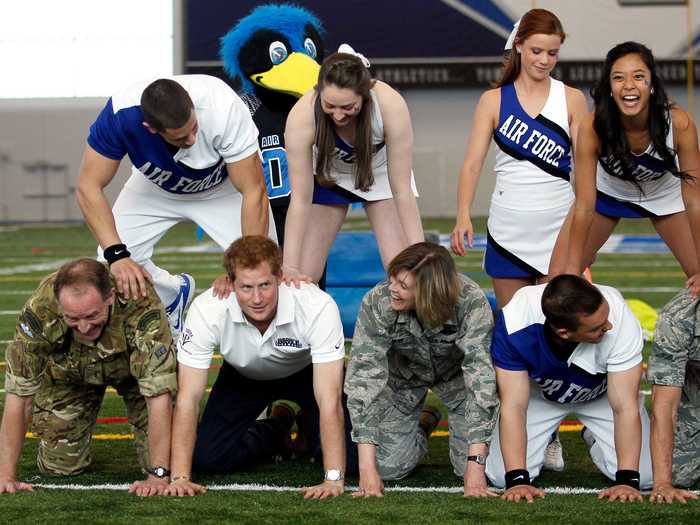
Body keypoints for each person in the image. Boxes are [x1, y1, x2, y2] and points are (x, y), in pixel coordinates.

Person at [76, 75, 274, 336]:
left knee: (263, 270)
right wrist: (117, 255)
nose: (192, 139)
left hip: (221, 189)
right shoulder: (120, 114)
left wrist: (244, 265)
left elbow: (253, 191)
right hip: (156, 188)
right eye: (181, 137)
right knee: (109, 266)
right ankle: (171, 295)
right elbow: (87, 186)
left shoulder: (222, 106)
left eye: (194, 128)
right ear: (150, 128)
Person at [164, 236, 356, 498]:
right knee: (208, 460)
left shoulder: (316, 305)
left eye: (265, 285)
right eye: (246, 287)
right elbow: (188, 398)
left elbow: (329, 398)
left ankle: (309, 430)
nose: (257, 298)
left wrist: (333, 479)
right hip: (242, 375)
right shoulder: (207, 308)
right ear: (230, 283)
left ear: (279, 276)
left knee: (351, 461)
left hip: (306, 371)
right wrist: (180, 478)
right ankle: (275, 427)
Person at [0, 259, 176, 496]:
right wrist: (5, 475)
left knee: (170, 462)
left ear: (111, 297)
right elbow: (19, 397)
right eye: (72, 318)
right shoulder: (41, 308)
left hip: (134, 372)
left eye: (92, 315)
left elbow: (158, 396)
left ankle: (176, 305)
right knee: (58, 467)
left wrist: (158, 475)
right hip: (69, 373)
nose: (83, 327)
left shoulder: (141, 301)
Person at [451, 9, 588, 308]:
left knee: (558, 321)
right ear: (518, 45)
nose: (544, 60)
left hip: (558, 226)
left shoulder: (573, 99)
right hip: (507, 227)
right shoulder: (493, 100)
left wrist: (583, 225)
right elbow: (472, 164)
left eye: (552, 53)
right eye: (537, 51)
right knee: (514, 325)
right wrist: (463, 214)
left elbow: (586, 169)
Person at [345, 242, 498, 498]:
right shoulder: (377, 301)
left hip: (457, 381)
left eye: (403, 286)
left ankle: (459, 445)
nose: (392, 289)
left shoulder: (471, 302)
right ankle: (424, 423)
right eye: (393, 279)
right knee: (387, 468)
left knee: (482, 469)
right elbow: (364, 380)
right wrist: (367, 468)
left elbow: (481, 378)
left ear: (429, 292)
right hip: (402, 381)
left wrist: (476, 464)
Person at [486, 274, 652, 502]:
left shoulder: (619, 315)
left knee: (643, 478)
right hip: (541, 395)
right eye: (598, 328)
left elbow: (625, 405)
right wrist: (517, 481)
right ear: (563, 332)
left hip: (603, 394)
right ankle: (544, 441)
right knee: (500, 476)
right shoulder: (517, 320)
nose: (609, 325)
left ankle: (594, 436)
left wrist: (626, 481)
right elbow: (513, 406)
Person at [552, 42, 700, 296]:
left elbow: (695, 202)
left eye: (639, 77)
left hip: (664, 195)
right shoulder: (592, 127)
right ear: (609, 87)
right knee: (557, 282)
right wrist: (572, 269)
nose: (629, 85)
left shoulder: (678, 123)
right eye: (618, 78)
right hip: (607, 194)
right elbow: (585, 204)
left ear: (652, 85)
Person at [283, 47, 424, 284]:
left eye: (348, 107)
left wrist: (421, 255)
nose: (338, 116)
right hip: (329, 175)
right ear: (318, 92)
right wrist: (288, 266)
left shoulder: (390, 105)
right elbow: (299, 199)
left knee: (404, 272)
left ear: (365, 95)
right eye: (330, 106)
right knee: (303, 275)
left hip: (379, 173)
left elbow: (402, 189)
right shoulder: (302, 116)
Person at [647, 288, 700, 503]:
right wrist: (662, 483)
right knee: (680, 473)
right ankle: (597, 437)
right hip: (695, 390)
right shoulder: (677, 318)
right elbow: (665, 407)